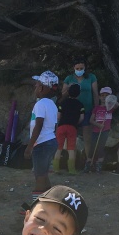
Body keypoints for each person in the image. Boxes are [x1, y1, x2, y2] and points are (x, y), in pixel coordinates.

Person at [23, 71, 59, 202]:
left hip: (42, 144)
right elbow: (55, 125)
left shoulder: (40, 104)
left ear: (42, 88)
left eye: (37, 85)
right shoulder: (52, 105)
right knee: (44, 174)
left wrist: (29, 147)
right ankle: (49, 202)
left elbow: (38, 125)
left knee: (39, 176)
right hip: (51, 141)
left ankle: (36, 207)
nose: (35, 87)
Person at [62, 59, 99, 162]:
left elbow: (95, 94)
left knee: (87, 138)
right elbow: (63, 95)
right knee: (70, 136)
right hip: (73, 111)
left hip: (87, 110)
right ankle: (69, 161)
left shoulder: (91, 77)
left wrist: (96, 110)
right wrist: (68, 88)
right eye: (77, 68)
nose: (79, 70)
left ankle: (89, 161)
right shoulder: (69, 78)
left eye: (81, 68)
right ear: (74, 68)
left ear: (85, 68)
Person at [55, 84, 84, 175]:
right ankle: (71, 169)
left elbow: (58, 116)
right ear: (78, 94)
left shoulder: (62, 103)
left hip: (62, 126)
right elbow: (82, 118)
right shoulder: (80, 104)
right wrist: (76, 123)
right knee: (71, 148)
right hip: (72, 127)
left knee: (58, 147)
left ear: (68, 92)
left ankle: (56, 168)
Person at [85, 87, 115, 173]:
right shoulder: (96, 108)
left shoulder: (111, 108)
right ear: (99, 97)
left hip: (105, 131)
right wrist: (98, 125)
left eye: (106, 95)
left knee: (101, 147)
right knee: (92, 147)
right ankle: (88, 164)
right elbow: (91, 120)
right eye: (102, 95)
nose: (104, 97)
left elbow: (116, 104)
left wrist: (111, 100)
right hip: (95, 130)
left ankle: (99, 165)